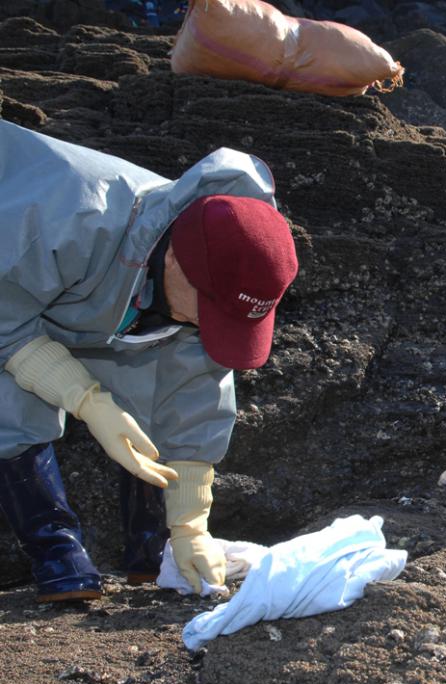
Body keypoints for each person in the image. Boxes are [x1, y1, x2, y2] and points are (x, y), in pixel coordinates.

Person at [0, 120, 298, 602]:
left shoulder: (221, 255)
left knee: (157, 369)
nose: (208, 326)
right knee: (11, 400)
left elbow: (197, 400)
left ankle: (152, 547)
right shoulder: (72, 219)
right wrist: (86, 399)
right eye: (210, 310)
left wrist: (190, 526)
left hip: (82, 294)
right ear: (177, 263)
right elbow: (4, 318)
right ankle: (54, 546)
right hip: (9, 264)